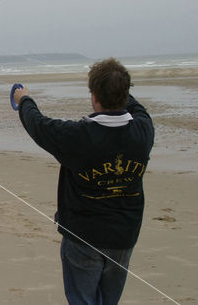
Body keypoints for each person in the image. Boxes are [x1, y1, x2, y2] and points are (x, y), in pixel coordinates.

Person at [13, 58, 154, 305]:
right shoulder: (143, 130)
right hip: (123, 236)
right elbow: (137, 108)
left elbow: (38, 125)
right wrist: (117, 89)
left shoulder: (79, 137)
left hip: (85, 238)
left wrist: (24, 99)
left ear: (94, 96)